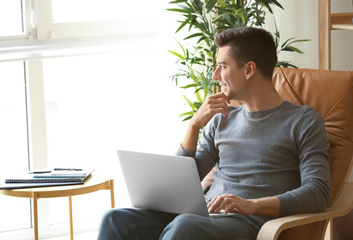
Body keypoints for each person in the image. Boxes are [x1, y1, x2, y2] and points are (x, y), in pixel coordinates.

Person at [97, 26, 330, 240]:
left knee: (185, 226)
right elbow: (180, 185)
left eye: (223, 66)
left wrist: (252, 205)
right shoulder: (222, 119)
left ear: (249, 69)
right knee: (115, 219)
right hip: (203, 216)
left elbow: (318, 192)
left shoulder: (304, 121)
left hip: (247, 223)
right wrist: (193, 127)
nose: (215, 76)